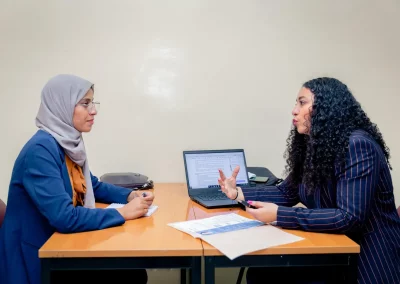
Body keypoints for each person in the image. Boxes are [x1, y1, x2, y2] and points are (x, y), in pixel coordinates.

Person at [218, 77, 400, 284]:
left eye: (302, 103)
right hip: (333, 246)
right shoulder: (316, 144)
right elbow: (287, 192)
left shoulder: (357, 145)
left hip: (366, 255)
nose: (294, 111)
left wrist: (280, 214)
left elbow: (350, 217)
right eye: (296, 103)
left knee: (266, 276)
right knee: (261, 273)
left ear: (326, 108)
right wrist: (238, 193)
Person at [0, 74, 154, 284]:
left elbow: (93, 185)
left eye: (92, 102)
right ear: (61, 105)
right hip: (38, 256)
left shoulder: (66, 142)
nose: (93, 110)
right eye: (85, 103)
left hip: (59, 244)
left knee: (132, 272)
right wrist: (122, 213)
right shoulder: (41, 151)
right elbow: (64, 217)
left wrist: (129, 195)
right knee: (130, 275)